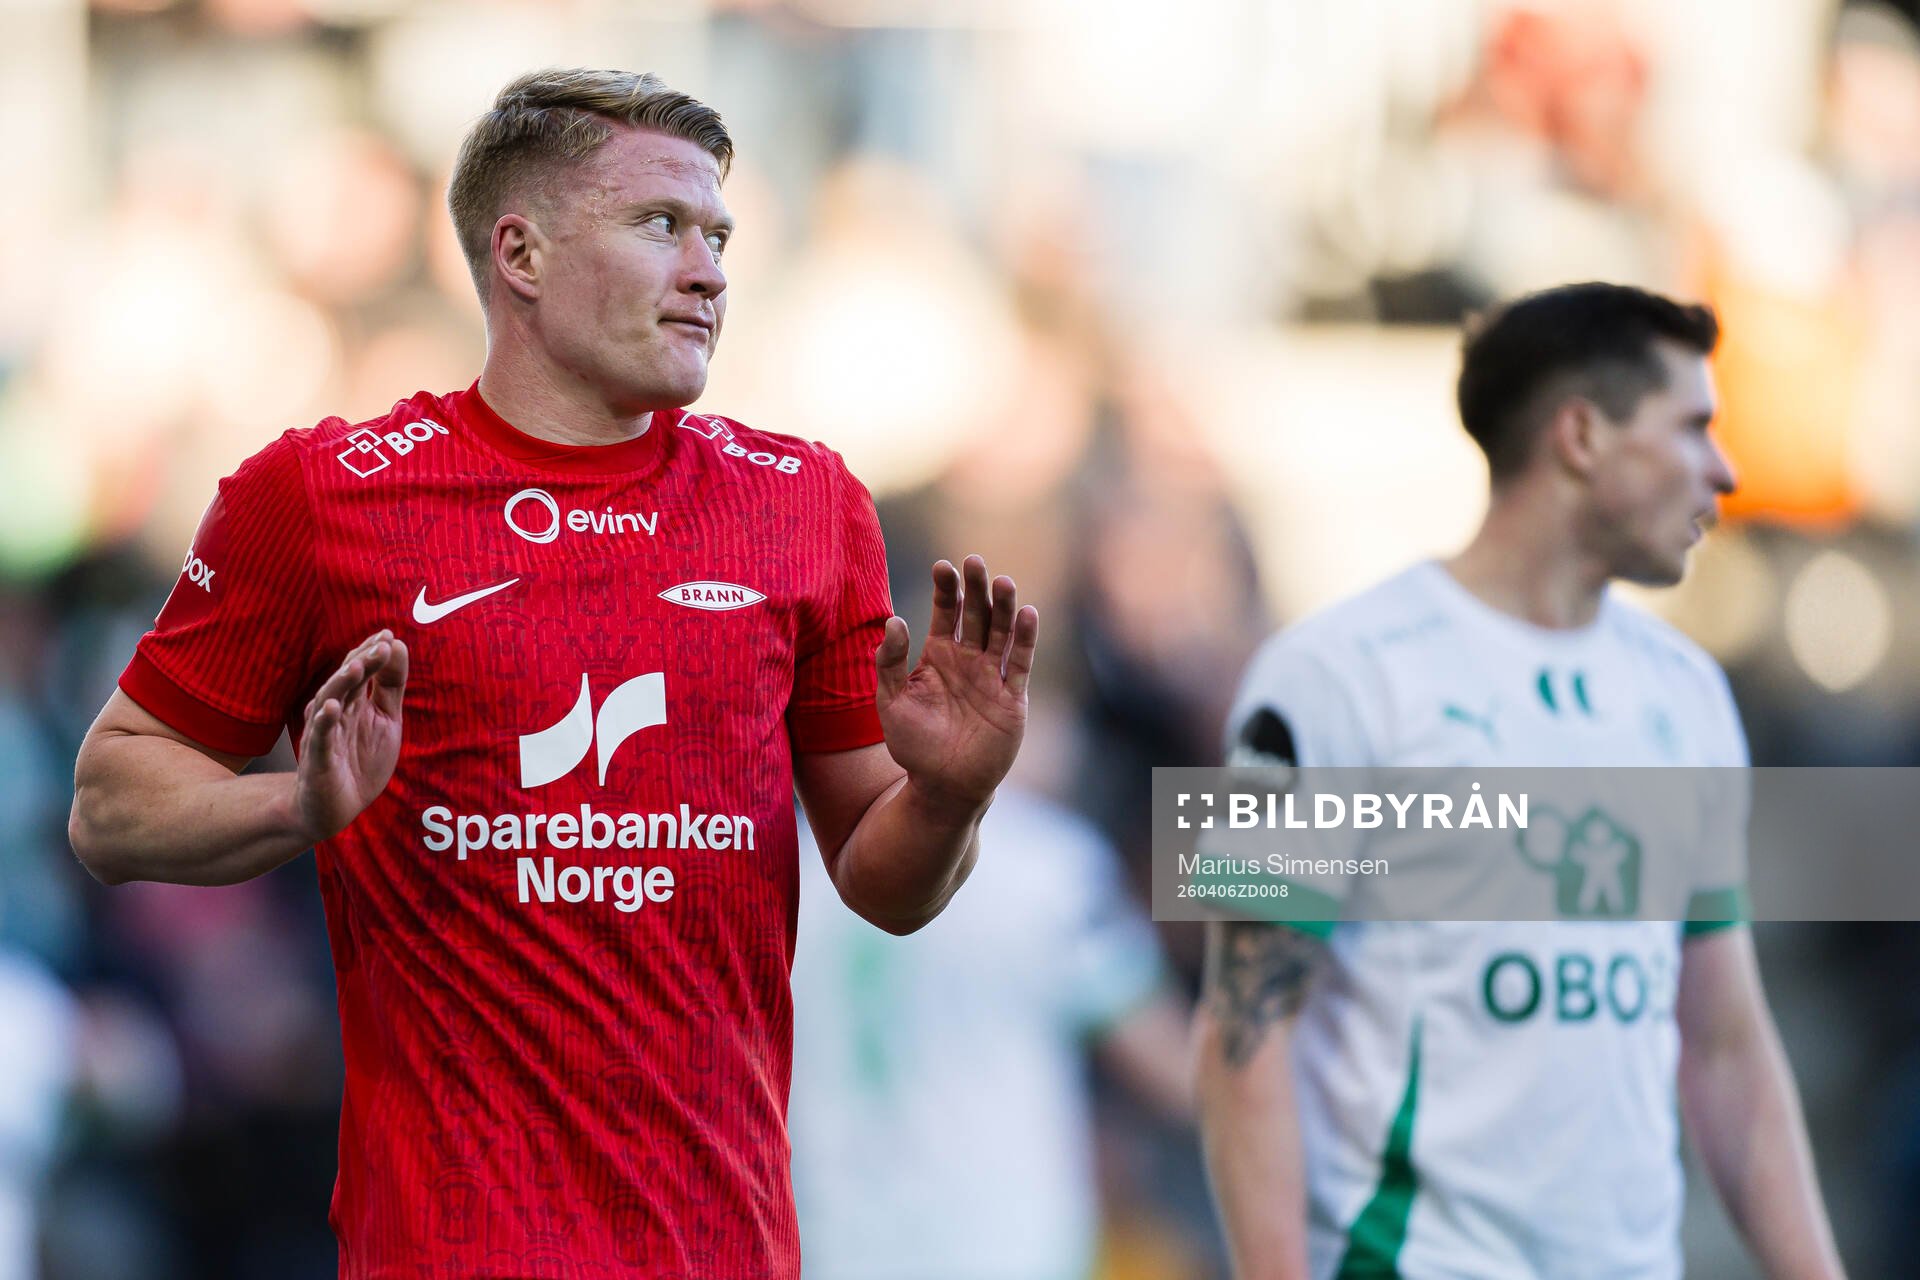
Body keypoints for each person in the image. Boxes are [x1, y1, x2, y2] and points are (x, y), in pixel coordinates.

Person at [68, 68, 1039, 1279]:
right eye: (659, 226)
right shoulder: (322, 496)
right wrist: (297, 807)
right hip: (445, 1249)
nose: (709, 270)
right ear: (518, 253)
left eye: (719, 236)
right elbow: (110, 802)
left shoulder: (802, 504)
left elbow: (883, 882)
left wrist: (949, 794)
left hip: (721, 1247)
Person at [1194, 283, 1845, 1279]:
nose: (1725, 467)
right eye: (1693, 426)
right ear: (1581, 436)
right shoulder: (1331, 675)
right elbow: (1242, 1027)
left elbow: (1725, 1043)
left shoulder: (1687, 692)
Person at [788, 780, 1191, 1280]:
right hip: (1007, 1248)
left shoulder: (788, 865)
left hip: (832, 1249)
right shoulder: (1050, 861)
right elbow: (1180, 1075)